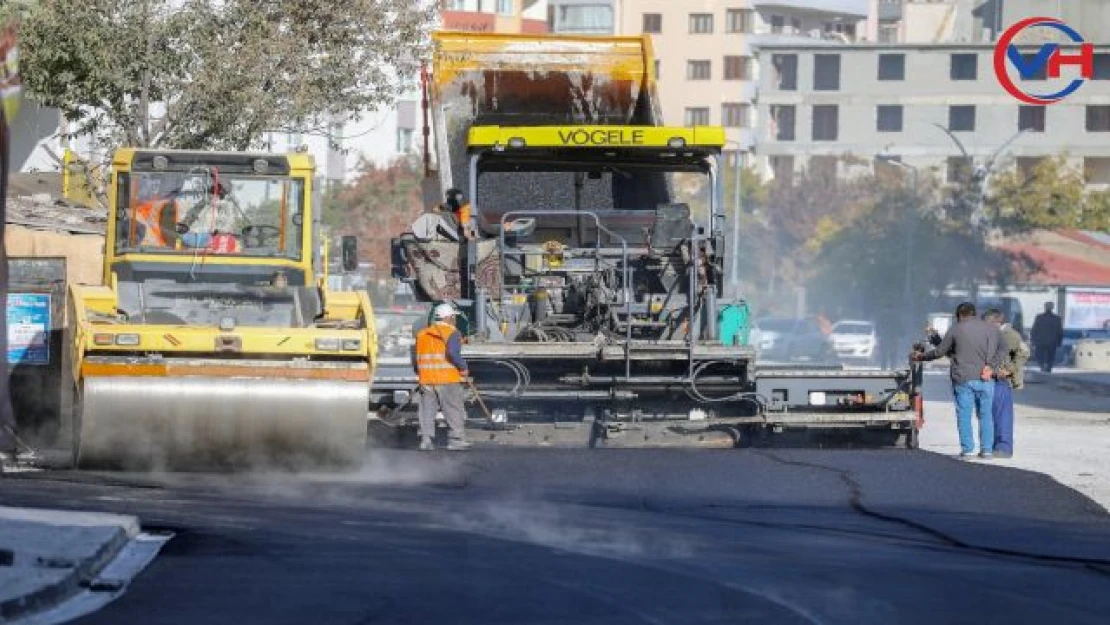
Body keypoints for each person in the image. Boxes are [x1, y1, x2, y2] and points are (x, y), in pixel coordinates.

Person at [913, 302, 1007, 459]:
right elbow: (1003, 349)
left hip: (963, 378)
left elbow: (941, 351)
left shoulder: (957, 328)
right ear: (974, 313)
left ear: (959, 315)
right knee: (985, 415)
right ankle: (987, 450)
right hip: (986, 378)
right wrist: (991, 366)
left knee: (964, 414)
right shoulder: (991, 328)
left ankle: (968, 450)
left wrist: (922, 357)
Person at [412, 303, 472, 451]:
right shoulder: (452, 332)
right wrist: (463, 368)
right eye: (453, 317)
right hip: (447, 379)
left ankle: (426, 440)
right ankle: (456, 440)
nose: (454, 320)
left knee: (427, 411)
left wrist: (420, 373)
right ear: (448, 318)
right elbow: (452, 353)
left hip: (426, 379)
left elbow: (416, 359)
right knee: (453, 409)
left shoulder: (422, 334)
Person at [983, 308, 1030, 459]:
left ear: (999, 321)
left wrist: (1009, 369)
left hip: (1001, 380)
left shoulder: (1010, 335)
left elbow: (1024, 352)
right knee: (988, 414)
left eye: (989, 323)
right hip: (988, 378)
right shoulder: (990, 334)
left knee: (1002, 416)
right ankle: (990, 446)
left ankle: (1003, 447)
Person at [1030, 302, 1064, 373]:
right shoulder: (1057, 318)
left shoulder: (1039, 317)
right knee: (1051, 356)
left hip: (1040, 341)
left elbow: (1034, 329)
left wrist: (1033, 340)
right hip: (1052, 341)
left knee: (1040, 355)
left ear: (1045, 307)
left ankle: (1042, 366)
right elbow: (1060, 331)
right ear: (1052, 308)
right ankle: (1048, 368)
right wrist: (1059, 342)